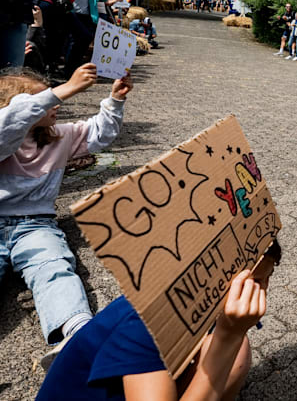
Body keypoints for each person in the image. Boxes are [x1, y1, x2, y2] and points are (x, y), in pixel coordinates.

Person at [0, 63, 132, 369]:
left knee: (55, 268)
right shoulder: (5, 138)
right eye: (44, 100)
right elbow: (9, 123)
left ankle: (76, 334)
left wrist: (115, 100)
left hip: (36, 225)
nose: (56, 103)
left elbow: (100, 133)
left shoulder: (59, 136)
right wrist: (65, 88)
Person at [37, 242, 280, 400]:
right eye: (254, 281)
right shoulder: (147, 324)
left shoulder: (201, 301)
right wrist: (229, 336)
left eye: (267, 278)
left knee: (237, 352)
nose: (262, 291)